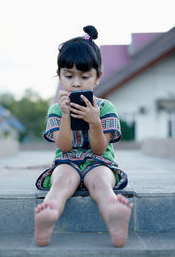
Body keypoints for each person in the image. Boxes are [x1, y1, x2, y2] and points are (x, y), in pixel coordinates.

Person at [34, 25, 133, 247]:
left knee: (100, 183)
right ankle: (49, 212)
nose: (76, 83)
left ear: (97, 78)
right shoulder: (56, 109)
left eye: (85, 76)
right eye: (68, 76)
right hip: (67, 161)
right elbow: (65, 147)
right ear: (59, 75)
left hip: (99, 162)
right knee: (60, 182)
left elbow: (99, 149)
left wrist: (94, 120)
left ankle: (113, 213)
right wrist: (67, 115)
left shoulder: (106, 108)